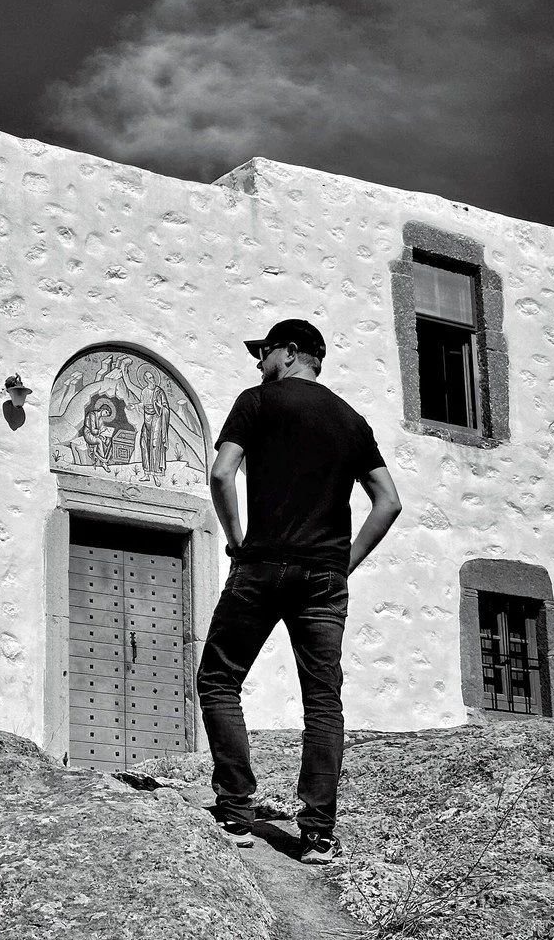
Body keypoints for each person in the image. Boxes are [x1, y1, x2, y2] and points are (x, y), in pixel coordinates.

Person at [198, 318, 402, 864]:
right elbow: (389, 501)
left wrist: (238, 542)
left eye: (262, 352)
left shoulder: (258, 401)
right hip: (323, 578)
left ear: (290, 353)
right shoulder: (352, 421)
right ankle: (316, 834)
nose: (257, 363)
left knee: (219, 680)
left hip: (262, 565)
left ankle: (236, 811)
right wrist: (343, 565)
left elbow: (221, 475)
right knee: (323, 702)